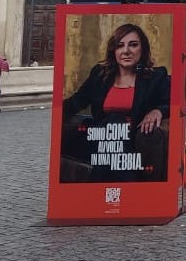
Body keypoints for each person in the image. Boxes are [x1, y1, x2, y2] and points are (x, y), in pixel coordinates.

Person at [61, 23, 170, 182]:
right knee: (114, 120)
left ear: (143, 49)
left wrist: (158, 111)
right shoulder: (99, 74)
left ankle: (98, 187)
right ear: (114, 51)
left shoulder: (156, 77)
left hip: (132, 140)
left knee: (116, 120)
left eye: (133, 45)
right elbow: (77, 101)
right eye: (120, 46)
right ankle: (126, 185)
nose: (126, 51)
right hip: (99, 138)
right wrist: (56, 114)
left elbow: (171, 102)